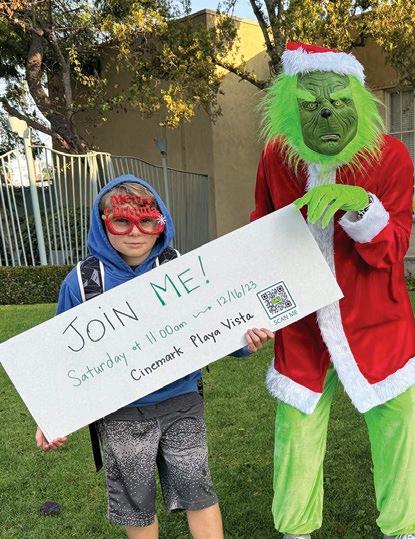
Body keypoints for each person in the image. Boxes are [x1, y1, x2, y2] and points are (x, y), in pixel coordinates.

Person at [35, 175, 272, 539]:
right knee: (136, 502)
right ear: (102, 223)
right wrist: (52, 414)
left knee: (198, 489)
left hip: (181, 400)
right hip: (121, 412)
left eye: (147, 221)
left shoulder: (179, 268)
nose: (135, 232)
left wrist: (243, 341)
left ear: (161, 222)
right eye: (122, 221)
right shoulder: (82, 282)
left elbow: (210, 317)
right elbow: (63, 354)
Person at [253, 42, 415, 539]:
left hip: (377, 318)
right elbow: (263, 230)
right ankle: (295, 531)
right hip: (302, 322)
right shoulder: (276, 156)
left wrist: (361, 207)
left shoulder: (391, 156)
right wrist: (258, 306)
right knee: (296, 430)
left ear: (359, 102)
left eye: (338, 101)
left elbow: (393, 248)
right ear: (291, 107)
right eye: (311, 104)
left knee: (397, 424)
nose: (326, 112)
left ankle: (403, 530)